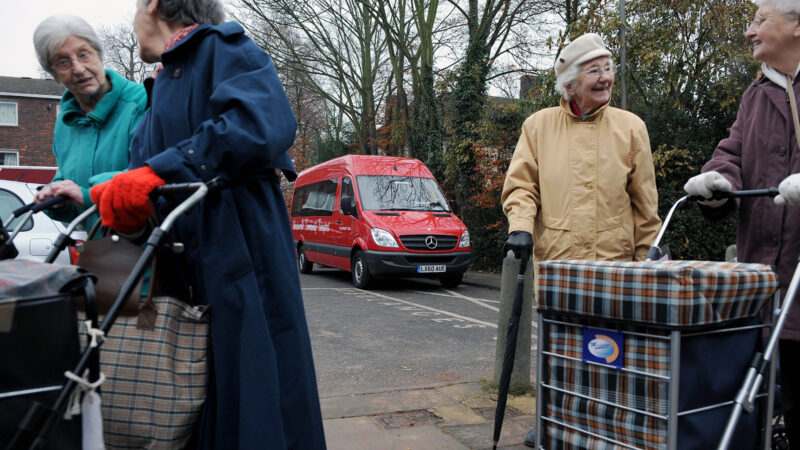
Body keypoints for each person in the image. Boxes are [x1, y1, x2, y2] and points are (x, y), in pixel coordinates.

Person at [88, 0, 326, 448]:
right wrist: (132, 202)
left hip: (238, 259)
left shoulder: (224, 47)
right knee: (191, 405)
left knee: (251, 398)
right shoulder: (158, 88)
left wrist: (163, 170)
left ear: (154, 4)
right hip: (183, 275)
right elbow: (150, 176)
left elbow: (264, 123)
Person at [500, 33, 661, 447]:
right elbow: (522, 187)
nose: (606, 78)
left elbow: (646, 206)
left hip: (615, 263)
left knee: (611, 352)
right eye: (595, 71)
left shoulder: (631, 128)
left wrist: (649, 258)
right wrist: (520, 224)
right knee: (560, 350)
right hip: (561, 261)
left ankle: (610, 425)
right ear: (569, 83)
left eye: (608, 69)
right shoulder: (538, 127)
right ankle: (552, 419)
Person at [683, 0, 800, 446]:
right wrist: (718, 180)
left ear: (796, 26)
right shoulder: (756, 95)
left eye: (759, 20)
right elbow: (732, 153)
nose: (749, 31)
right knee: (761, 413)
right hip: (764, 293)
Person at [31, 15, 147, 230]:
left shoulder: (143, 102)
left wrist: (86, 195)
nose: (78, 68)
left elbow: (153, 177)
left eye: (84, 55)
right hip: (100, 253)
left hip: (152, 254)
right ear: (54, 75)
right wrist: (56, 198)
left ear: (100, 57)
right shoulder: (65, 125)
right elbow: (73, 196)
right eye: (63, 62)